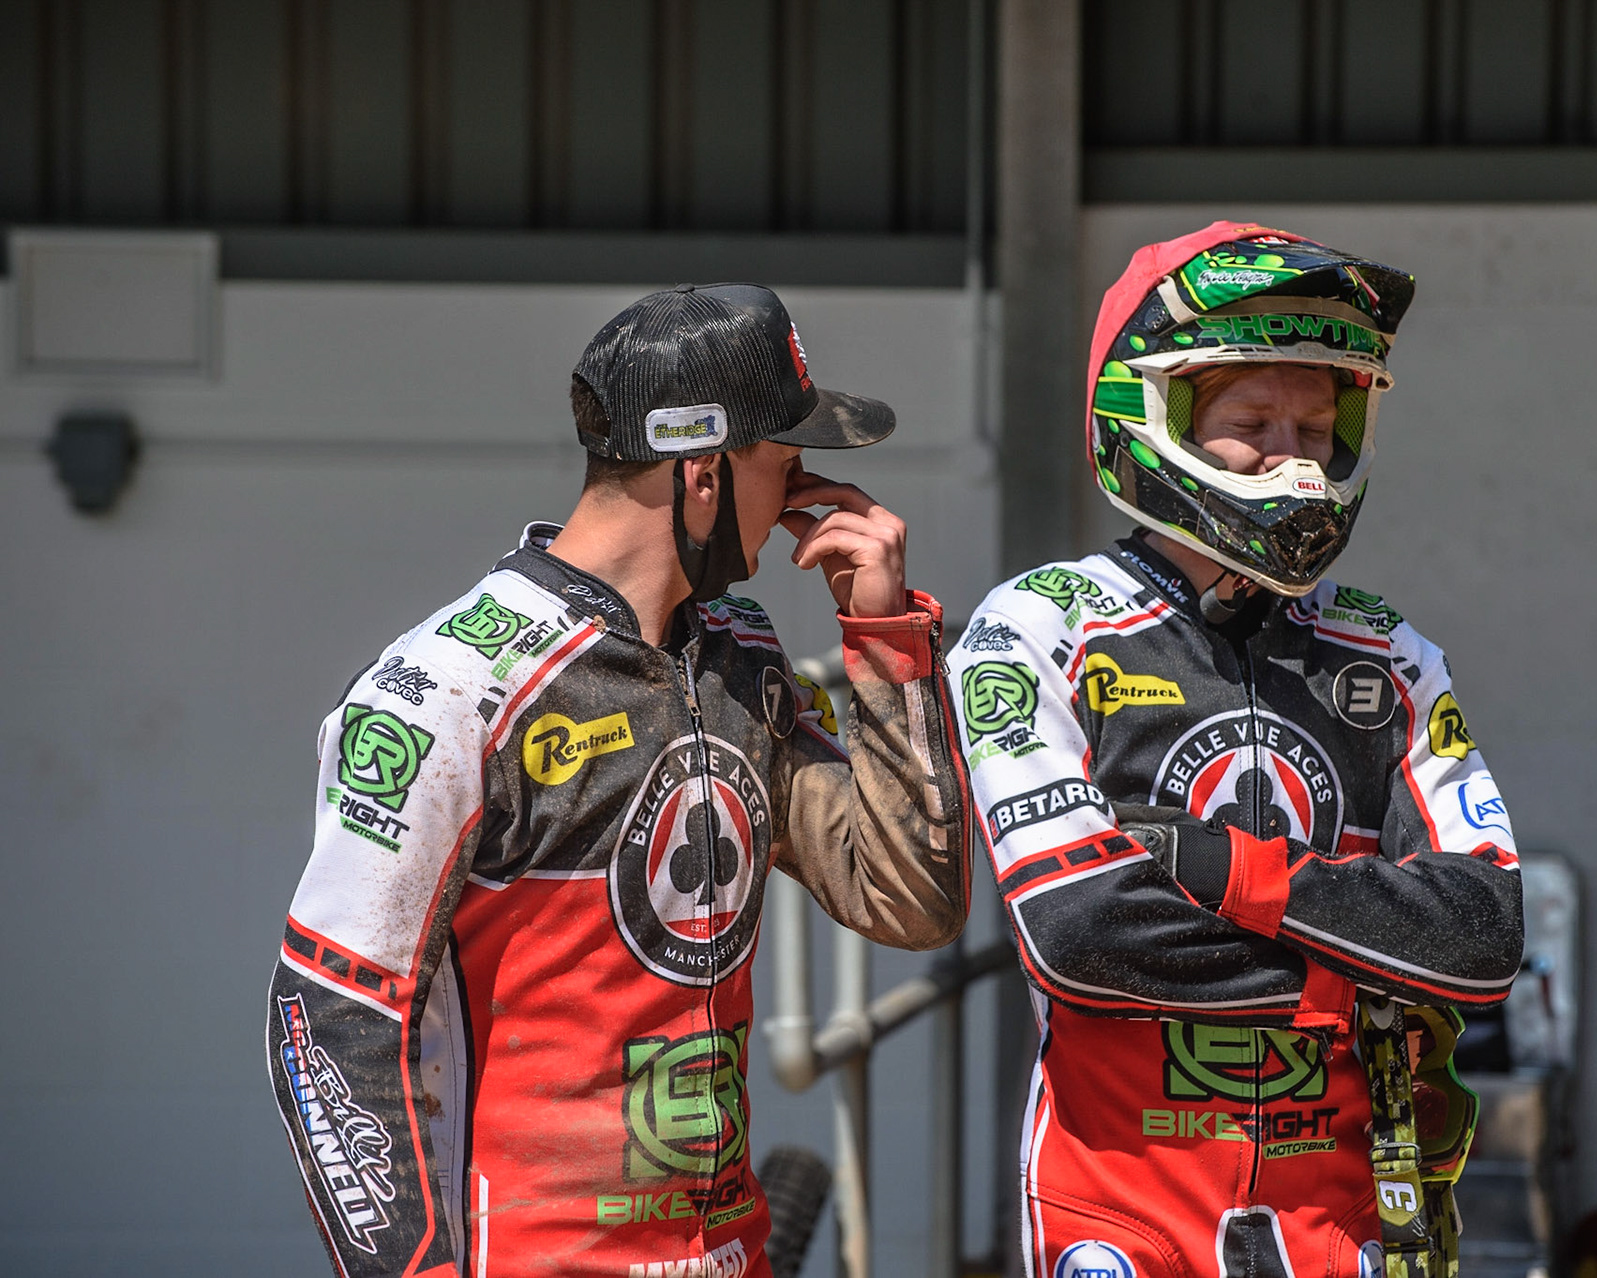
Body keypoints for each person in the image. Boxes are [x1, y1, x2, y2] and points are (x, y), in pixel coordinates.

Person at [266, 283, 973, 1278]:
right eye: (783, 463)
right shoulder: (456, 689)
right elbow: (332, 1020)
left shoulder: (740, 657)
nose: (812, 497)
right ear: (700, 477)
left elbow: (911, 900)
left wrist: (886, 636)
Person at [950, 223, 1524, 1278]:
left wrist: (1213, 868)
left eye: (1316, 425)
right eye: (1253, 422)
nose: (1293, 458)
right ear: (1151, 414)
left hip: (1347, 1215)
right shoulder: (1041, 627)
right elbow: (1082, 933)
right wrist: (1372, 972)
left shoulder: (1388, 652)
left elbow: (1484, 935)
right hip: (1121, 1207)